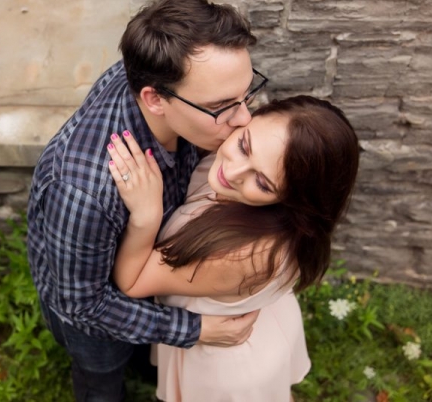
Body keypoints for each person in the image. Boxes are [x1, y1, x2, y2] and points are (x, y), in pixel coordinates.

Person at [26, 0, 267, 401]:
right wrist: (197, 330)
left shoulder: (163, 79)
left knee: (141, 353)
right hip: (97, 317)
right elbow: (84, 307)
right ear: (154, 99)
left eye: (246, 94)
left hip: (146, 275)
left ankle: (144, 357)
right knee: (102, 378)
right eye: (222, 107)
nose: (244, 119)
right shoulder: (84, 191)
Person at [105, 95, 360, 402]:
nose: (234, 172)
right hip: (258, 319)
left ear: (293, 201)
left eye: (263, 184)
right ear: (249, 116)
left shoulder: (240, 256)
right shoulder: (244, 173)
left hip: (227, 369)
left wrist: (146, 217)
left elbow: (132, 282)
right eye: (244, 146)